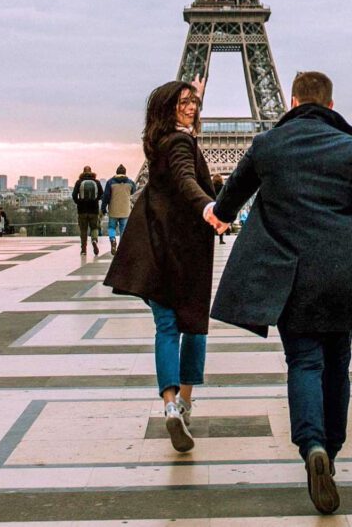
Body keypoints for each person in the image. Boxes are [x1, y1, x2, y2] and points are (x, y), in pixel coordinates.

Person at [204, 71, 352, 515]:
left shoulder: (268, 144)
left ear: (291, 100)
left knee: (304, 362)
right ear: (331, 105)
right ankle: (332, 446)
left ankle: (311, 445)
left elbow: (230, 198)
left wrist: (218, 214)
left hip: (291, 277)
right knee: (338, 363)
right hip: (345, 275)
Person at [104, 78, 215, 455]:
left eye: (194, 102)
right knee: (195, 327)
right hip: (183, 253)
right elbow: (186, 179)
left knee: (166, 327)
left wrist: (194, 89)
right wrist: (208, 206)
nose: (191, 108)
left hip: (154, 249)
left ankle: (169, 403)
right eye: (184, 103)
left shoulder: (159, 142)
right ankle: (184, 402)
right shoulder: (182, 142)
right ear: (169, 109)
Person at [102, 164, 136, 255]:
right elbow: (134, 193)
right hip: (125, 210)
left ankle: (113, 240)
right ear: (125, 172)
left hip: (113, 209)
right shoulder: (131, 183)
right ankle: (121, 248)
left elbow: (106, 196)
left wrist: (103, 208)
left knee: (111, 227)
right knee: (123, 230)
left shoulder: (110, 182)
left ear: (116, 172)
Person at [72, 166, 104, 256]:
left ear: (83, 172)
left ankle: (83, 250)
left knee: (83, 230)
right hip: (94, 210)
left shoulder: (79, 182)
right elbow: (102, 195)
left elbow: (74, 195)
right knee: (94, 228)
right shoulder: (96, 182)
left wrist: (79, 202)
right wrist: (96, 200)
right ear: (91, 172)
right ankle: (94, 240)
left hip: (82, 210)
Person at [211, 174, 227, 244]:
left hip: (213, 206)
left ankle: (211, 239)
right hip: (221, 206)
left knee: (211, 223)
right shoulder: (223, 187)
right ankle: (221, 240)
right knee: (220, 223)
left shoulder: (211, 187)